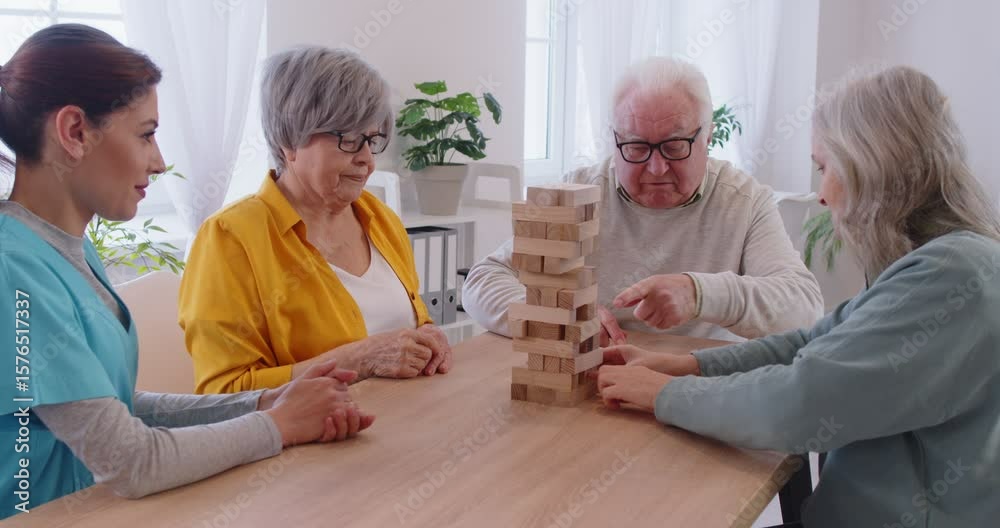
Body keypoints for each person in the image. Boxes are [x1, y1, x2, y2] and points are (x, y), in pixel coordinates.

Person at [596, 65, 1000, 527]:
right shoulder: (938, 260)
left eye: (825, 168)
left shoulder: (953, 277)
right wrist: (691, 366)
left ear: (872, 166)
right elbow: (815, 341)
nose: (822, 195)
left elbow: (803, 403)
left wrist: (666, 394)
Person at [0, 25, 373, 518]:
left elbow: (119, 407)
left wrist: (265, 402)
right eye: (147, 134)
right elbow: (132, 460)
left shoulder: (68, 249)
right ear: (73, 132)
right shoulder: (15, 267)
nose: (158, 162)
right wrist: (281, 424)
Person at [462, 57, 823, 345]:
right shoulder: (579, 190)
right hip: (594, 384)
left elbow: (803, 306)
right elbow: (484, 279)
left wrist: (700, 294)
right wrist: (558, 319)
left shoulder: (744, 202)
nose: (656, 167)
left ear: (708, 138)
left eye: (674, 146)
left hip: (694, 387)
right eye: (636, 146)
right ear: (614, 139)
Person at [178, 46, 452, 394]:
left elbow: (412, 322)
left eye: (372, 140)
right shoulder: (229, 238)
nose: (367, 160)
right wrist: (360, 358)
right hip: (305, 444)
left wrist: (428, 334)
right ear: (288, 142)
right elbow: (226, 393)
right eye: (350, 140)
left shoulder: (380, 218)